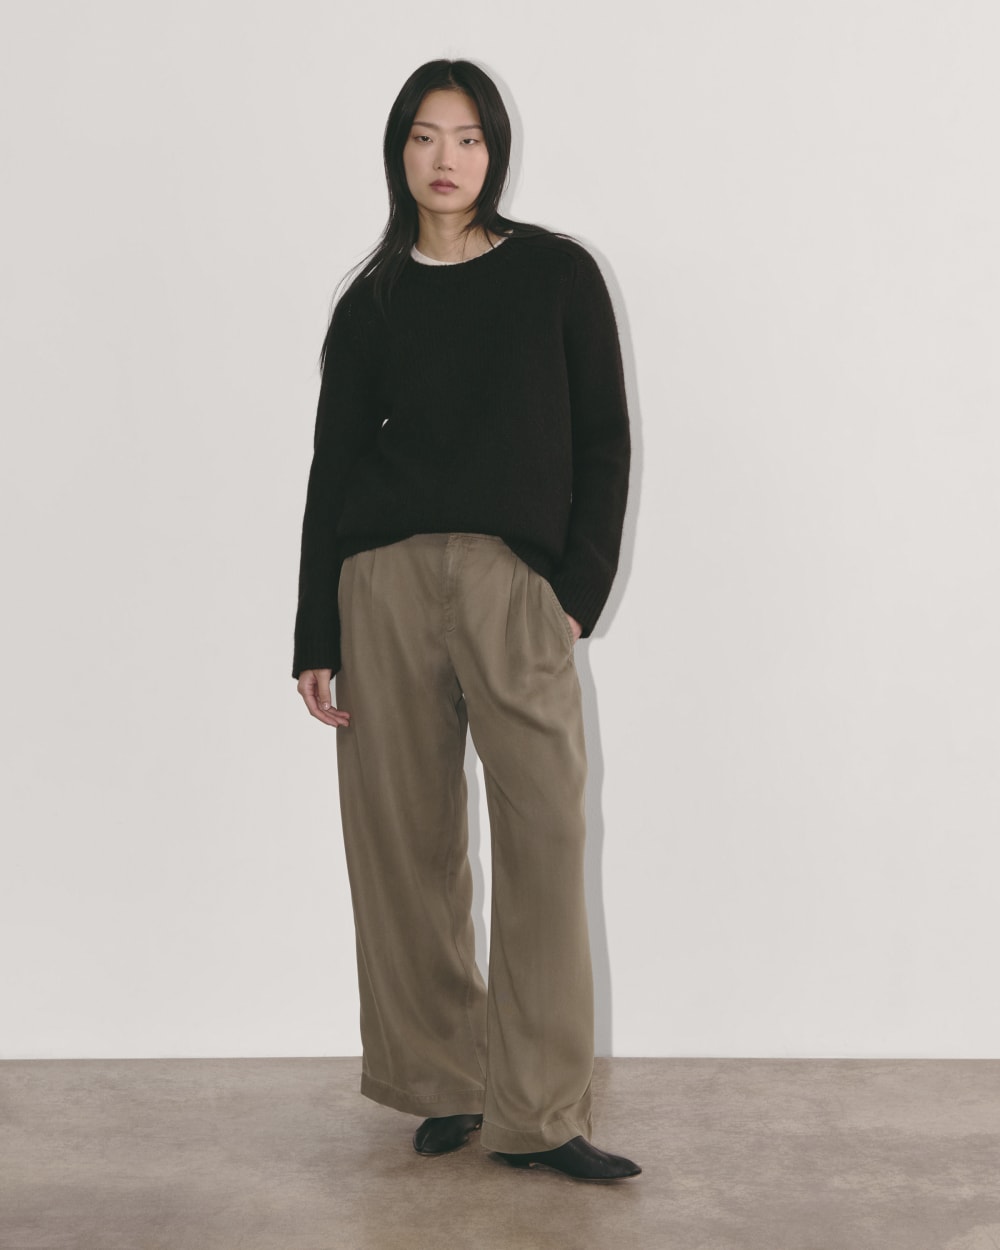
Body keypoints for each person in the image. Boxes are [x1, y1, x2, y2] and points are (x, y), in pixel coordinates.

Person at [292, 59, 637, 1181]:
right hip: (382, 584)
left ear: (496, 152)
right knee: (406, 844)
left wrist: (574, 591)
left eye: (470, 137)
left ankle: (538, 1111)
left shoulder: (556, 275)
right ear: (400, 152)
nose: (448, 159)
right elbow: (333, 466)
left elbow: (604, 440)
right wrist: (314, 630)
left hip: (511, 585)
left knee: (546, 835)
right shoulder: (372, 300)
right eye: (426, 137)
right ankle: (443, 1082)